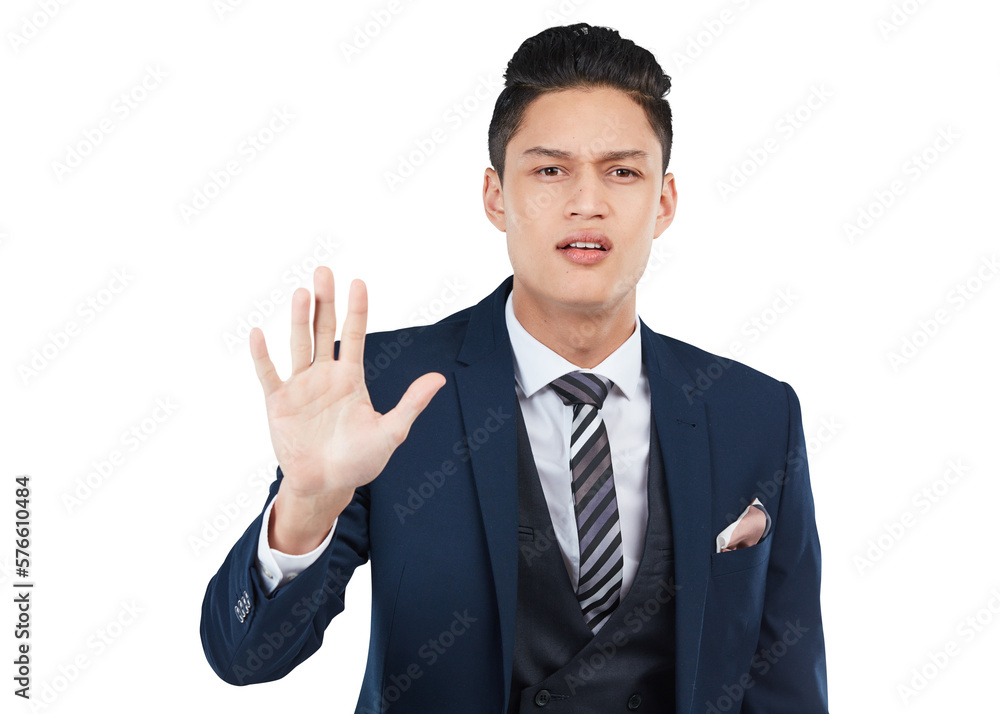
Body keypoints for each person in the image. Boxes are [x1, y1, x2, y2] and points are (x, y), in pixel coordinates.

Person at [200, 23, 828, 713]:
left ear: (665, 200)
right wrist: (308, 504)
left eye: (622, 171)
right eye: (550, 169)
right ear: (496, 196)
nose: (587, 202)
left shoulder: (755, 416)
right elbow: (246, 658)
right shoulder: (385, 390)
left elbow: (787, 685)